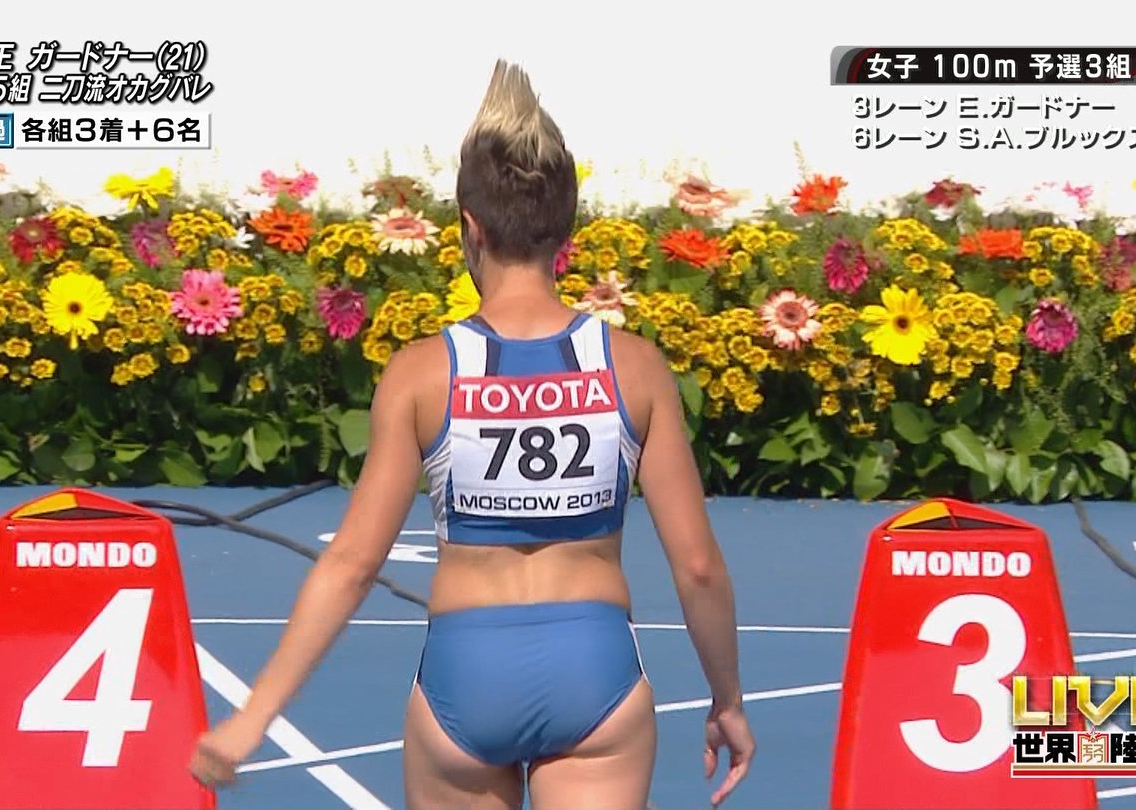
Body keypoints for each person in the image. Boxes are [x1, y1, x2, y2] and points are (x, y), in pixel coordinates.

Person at [189, 59, 754, 809]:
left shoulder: (422, 374)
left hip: (466, 670)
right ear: (566, 230)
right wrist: (727, 698)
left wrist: (250, 721)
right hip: (596, 669)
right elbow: (699, 568)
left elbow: (352, 564)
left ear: (470, 228)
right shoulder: (634, 366)